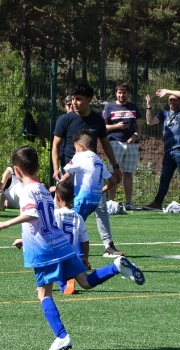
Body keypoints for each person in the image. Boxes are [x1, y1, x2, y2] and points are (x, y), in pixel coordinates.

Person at [0, 146, 145, 350]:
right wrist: (24, 239)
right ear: (37, 168)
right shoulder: (44, 189)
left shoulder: (28, 190)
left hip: (44, 250)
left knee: (43, 295)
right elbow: (44, 219)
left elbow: (33, 215)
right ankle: (116, 267)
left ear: (17, 172)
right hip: (61, 244)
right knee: (85, 282)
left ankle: (62, 336)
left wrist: (6, 223)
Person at [52, 83, 124, 257]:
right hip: (69, 172)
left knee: (100, 207)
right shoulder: (66, 119)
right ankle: (57, 243)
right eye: (73, 99)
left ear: (89, 100)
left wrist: (114, 166)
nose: (74, 102)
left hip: (90, 173)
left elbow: (105, 144)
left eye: (78, 99)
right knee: (62, 208)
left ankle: (108, 245)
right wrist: (56, 169)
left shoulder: (97, 120)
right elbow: (55, 145)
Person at [57, 130, 119, 266]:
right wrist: (101, 190)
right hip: (95, 199)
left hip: (82, 199)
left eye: (75, 148)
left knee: (75, 226)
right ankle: (82, 259)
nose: (75, 151)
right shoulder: (98, 160)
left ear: (81, 147)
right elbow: (113, 181)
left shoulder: (80, 157)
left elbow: (67, 174)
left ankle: (80, 260)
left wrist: (58, 187)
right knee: (80, 224)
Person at [143, 88, 180, 211]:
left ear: (179, 101)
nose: (172, 102)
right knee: (165, 178)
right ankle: (157, 203)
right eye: (170, 100)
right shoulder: (164, 114)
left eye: (175, 100)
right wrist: (148, 106)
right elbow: (149, 122)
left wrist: (167, 91)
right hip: (168, 151)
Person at [102, 83, 141, 210]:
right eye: (119, 92)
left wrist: (135, 135)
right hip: (114, 143)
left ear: (128, 94)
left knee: (128, 174)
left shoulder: (133, 107)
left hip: (131, 145)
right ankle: (111, 202)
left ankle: (129, 203)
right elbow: (103, 127)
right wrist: (116, 127)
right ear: (116, 93)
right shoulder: (109, 107)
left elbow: (139, 126)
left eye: (124, 93)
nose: (121, 95)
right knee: (113, 173)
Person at [54, 181, 90, 295]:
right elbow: (85, 241)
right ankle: (68, 278)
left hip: (57, 257)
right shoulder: (78, 217)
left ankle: (65, 283)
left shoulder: (54, 214)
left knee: (46, 264)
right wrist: (85, 258)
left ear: (58, 198)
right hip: (72, 257)